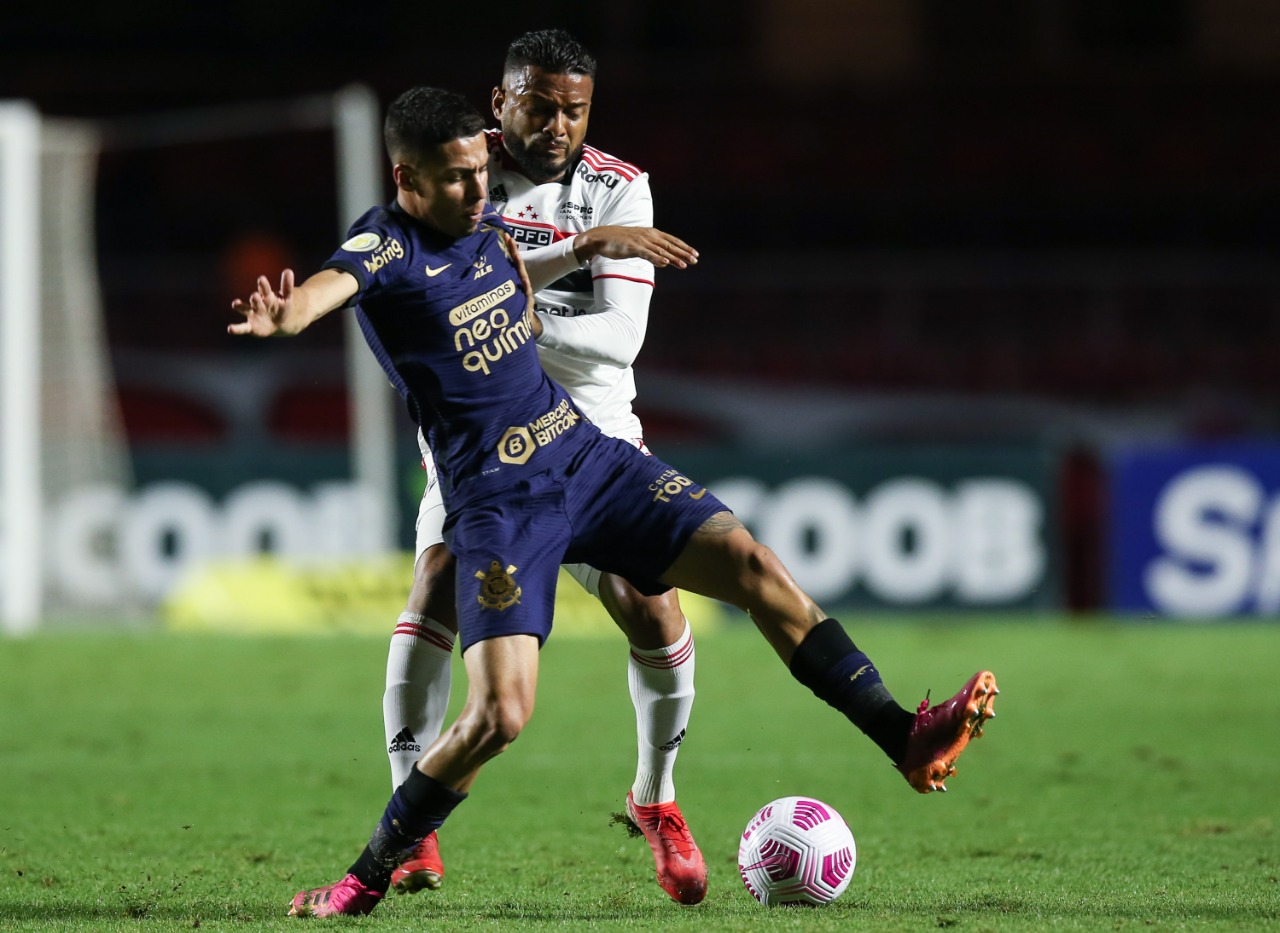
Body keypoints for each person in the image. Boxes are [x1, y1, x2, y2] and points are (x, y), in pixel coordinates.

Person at [228, 86, 999, 920]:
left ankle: (902, 735)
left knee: (752, 563)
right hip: (498, 502)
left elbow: (517, 271)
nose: (478, 190)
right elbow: (333, 284)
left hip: (586, 456)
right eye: (455, 179)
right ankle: (369, 872)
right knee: (499, 715)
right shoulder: (387, 243)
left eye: (481, 170)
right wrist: (287, 314)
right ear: (405, 176)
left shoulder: (480, 223)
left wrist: (590, 241)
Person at [380, 29, 706, 905]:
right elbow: (422, 286)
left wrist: (495, 312)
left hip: (592, 431)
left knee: (651, 603)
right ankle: (414, 820)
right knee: (438, 582)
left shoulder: (617, 186)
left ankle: (656, 798)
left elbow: (618, 339)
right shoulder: (455, 170)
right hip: (479, 428)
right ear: (501, 102)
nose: (557, 123)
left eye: (575, 108)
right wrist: (497, 301)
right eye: (539, 104)